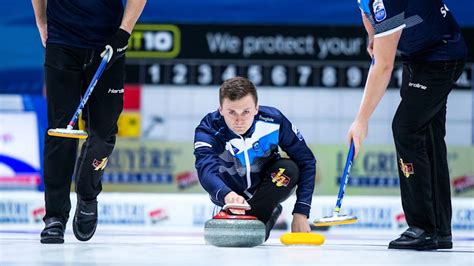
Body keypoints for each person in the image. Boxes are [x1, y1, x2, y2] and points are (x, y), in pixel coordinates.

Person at [350, 0, 467, 250]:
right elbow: (365, 11)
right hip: (419, 57)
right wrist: (372, 37)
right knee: (428, 137)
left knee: (406, 129)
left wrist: (361, 121)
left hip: (441, 56)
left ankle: (423, 228)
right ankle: (439, 230)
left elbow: (383, 66)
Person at [32, 0, 147, 243]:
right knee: (59, 132)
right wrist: (41, 20)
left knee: (103, 134)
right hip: (63, 41)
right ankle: (55, 216)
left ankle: (87, 195)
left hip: (109, 43)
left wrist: (124, 31)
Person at [194, 77, 316, 240]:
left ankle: (256, 214)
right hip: (229, 196)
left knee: (289, 169)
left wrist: (301, 212)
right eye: (232, 112)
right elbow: (205, 170)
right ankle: (260, 215)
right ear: (221, 109)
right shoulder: (208, 129)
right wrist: (226, 194)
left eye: (246, 112)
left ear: (256, 109)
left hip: (267, 188)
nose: (239, 120)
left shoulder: (274, 121)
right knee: (245, 239)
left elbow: (306, 161)